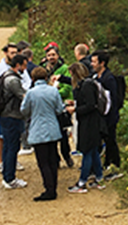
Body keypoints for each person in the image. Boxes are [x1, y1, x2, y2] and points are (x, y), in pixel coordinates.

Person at [20, 67, 63, 201]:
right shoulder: (54, 90)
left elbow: (24, 110)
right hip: (52, 128)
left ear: (32, 79)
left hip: (38, 129)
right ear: (46, 78)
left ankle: (49, 189)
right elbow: (59, 109)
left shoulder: (31, 93)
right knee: (52, 159)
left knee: (43, 161)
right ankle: (53, 187)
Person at [65, 63, 107, 193]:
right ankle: (99, 179)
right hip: (91, 122)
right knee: (94, 152)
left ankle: (82, 182)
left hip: (90, 123)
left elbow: (90, 105)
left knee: (87, 151)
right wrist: (75, 103)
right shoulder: (86, 84)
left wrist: (75, 109)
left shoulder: (86, 85)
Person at [0, 43, 29, 171]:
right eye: (12, 52)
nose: (14, 54)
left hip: (9, 113)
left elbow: (27, 82)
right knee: (8, 142)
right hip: (10, 113)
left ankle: (9, 164)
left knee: (10, 143)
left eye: (16, 52)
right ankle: (7, 171)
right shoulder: (6, 75)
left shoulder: (10, 74)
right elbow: (23, 95)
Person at [91, 50, 123, 181]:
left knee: (111, 142)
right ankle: (101, 167)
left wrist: (107, 117)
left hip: (109, 117)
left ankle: (114, 167)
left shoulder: (108, 78)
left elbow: (112, 101)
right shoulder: (96, 76)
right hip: (101, 117)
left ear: (102, 63)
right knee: (99, 142)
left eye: (94, 61)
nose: (91, 64)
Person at [41, 43, 74, 168]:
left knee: (62, 134)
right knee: (51, 135)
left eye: (53, 55)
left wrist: (52, 93)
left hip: (61, 105)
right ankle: (55, 159)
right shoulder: (43, 68)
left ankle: (67, 156)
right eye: (49, 55)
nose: (51, 57)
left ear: (58, 56)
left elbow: (67, 89)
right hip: (49, 107)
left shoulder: (64, 68)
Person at [0, 54, 28, 189]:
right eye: (24, 65)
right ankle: (10, 178)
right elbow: (24, 97)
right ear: (18, 65)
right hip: (12, 117)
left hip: (5, 116)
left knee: (7, 146)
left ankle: (7, 175)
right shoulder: (13, 80)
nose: (25, 68)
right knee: (13, 147)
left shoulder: (5, 75)